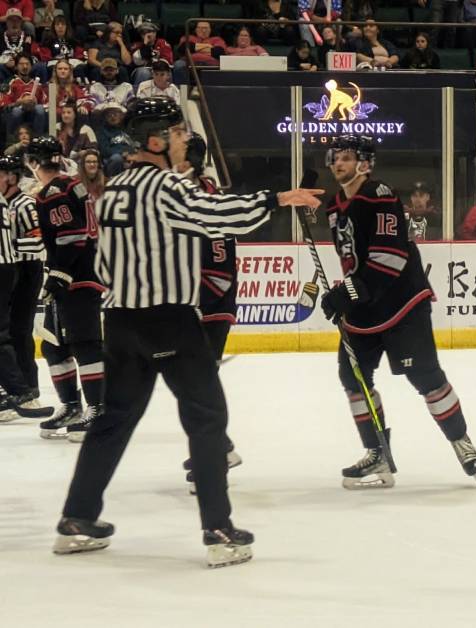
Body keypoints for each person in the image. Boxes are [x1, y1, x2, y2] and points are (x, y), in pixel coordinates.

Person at [53, 97, 323, 566]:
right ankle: (219, 530)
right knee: (206, 417)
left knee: (113, 420)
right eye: (177, 134)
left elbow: (102, 262)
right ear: (155, 140)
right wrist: (278, 197)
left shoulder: (112, 191)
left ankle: (76, 519)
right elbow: (222, 217)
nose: (182, 141)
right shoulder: (166, 187)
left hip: (119, 322)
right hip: (169, 322)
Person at [319, 135, 476, 490]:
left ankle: (459, 439)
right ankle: (376, 451)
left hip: (400, 302)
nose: (338, 164)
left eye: (346, 157)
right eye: (335, 157)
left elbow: (389, 259)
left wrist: (343, 293)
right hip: (364, 306)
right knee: (354, 379)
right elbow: (353, 261)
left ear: (364, 163)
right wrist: (345, 294)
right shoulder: (333, 206)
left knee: (425, 378)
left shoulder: (380, 196)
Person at [22, 135, 100, 441]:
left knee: (85, 344)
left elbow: (72, 236)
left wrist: (59, 275)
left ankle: (98, 408)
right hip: (71, 276)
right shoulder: (71, 184)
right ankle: (71, 406)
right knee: (53, 345)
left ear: (36, 162)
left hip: (77, 279)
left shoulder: (54, 192)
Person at [180, 133, 244, 491]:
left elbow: (220, 267)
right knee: (192, 384)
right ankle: (219, 447)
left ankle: (217, 454)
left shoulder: (209, 197)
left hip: (210, 306)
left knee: (197, 384)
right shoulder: (182, 193)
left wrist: (196, 305)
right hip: (192, 303)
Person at [0, 152, 51, 421]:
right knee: (10, 330)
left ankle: (28, 387)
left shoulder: (24, 204)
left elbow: (36, 242)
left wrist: (9, 251)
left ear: (11, 177)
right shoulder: (6, 202)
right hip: (13, 269)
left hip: (26, 271)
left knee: (19, 330)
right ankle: (13, 389)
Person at [128, 23, 173, 88]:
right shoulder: (136, 45)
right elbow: (137, 62)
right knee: (143, 72)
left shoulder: (162, 43)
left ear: (155, 33)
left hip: (159, 69)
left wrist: (155, 69)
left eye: (149, 32)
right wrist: (145, 45)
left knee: (166, 73)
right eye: (143, 33)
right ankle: (139, 96)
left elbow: (168, 61)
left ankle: (165, 95)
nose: (147, 35)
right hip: (142, 70)